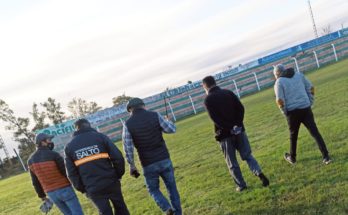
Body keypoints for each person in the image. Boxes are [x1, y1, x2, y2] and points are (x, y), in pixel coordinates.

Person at [202, 76, 269, 192]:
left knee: (232, 162)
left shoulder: (208, 100)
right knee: (247, 155)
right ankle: (259, 173)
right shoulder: (228, 92)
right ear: (215, 82)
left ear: (205, 86)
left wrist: (229, 128)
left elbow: (216, 119)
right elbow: (241, 109)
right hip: (239, 130)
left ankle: (241, 185)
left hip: (225, 134)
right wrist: (237, 124)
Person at [122, 98, 181, 215]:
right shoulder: (155, 115)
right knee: (172, 188)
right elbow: (171, 129)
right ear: (143, 105)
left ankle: (166, 208)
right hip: (164, 158)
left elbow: (128, 147)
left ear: (130, 110)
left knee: (153, 189)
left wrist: (132, 165)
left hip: (148, 163)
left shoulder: (127, 124)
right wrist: (168, 121)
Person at [65, 119, 129, 215]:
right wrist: (118, 175)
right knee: (121, 208)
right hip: (111, 181)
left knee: (104, 212)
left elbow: (71, 173)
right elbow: (118, 157)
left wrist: (82, 188)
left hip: (92, 187)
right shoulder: (101, 137)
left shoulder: (70, 146)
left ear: (76, 129)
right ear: (89, 126)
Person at [273, 65, 331, 165]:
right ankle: (326, 156)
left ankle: (293, 157)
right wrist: (310, 102)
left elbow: (279, 100)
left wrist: (284, 112)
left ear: (277, 74)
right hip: (305, 108)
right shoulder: (299, 75)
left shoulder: (279, 82)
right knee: (315, 133)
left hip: (292, 112)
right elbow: (311, 88)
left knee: (293, 136)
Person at [28, 133, 84, 215]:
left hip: (51, 193)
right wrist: (78, 184)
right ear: (42, 142)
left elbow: (35, 182)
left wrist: (42, 196)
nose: (51, 142)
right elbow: (66, 172)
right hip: (64, 188)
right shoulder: (54, 155)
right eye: (49, 140)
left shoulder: (30, 160)